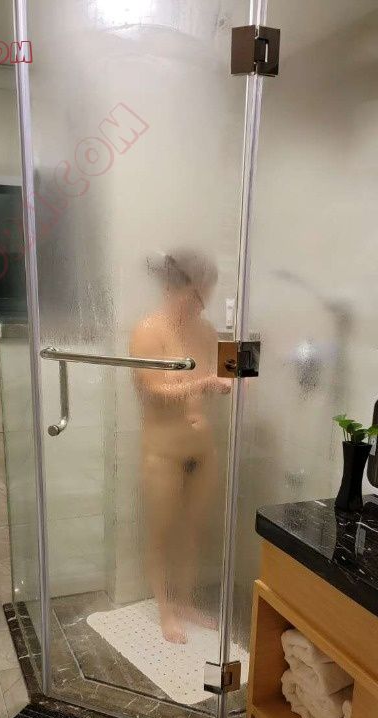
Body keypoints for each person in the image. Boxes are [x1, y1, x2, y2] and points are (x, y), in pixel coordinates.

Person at [130, 250, 230, 643]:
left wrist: (233, 380)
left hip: (201, 448)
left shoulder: (205, 332)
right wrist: (203, 384)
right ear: (173, 287)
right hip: (164, 451)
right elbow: (153, 389)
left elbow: (225, 370)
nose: (201, 305)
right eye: (196, 296)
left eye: (206, 296)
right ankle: (165, 608)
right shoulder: (148, 331)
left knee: (193, 530)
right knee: (163, 532)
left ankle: (185, 601)